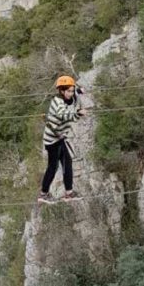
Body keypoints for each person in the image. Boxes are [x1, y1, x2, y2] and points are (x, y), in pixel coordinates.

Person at [38, 75, 85, 204]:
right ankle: (43, 194)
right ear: (62, 91)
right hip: (52, 140)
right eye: (68, 91)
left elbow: (74, 92)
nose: (71, 93)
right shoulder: (57, 101)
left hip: (59, 138)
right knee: (53, 167)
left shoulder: (70, 95)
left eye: (72, 90)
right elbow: (64, 115)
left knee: (67, 163)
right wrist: (78, 113)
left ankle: (69, 193)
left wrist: (79, 91)